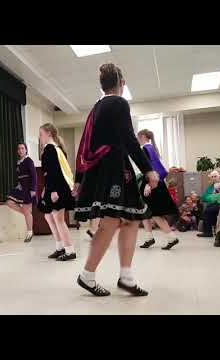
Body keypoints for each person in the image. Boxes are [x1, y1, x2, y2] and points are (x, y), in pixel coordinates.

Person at [74, 63, 158, 297]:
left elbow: (85, 144)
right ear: (121, 83)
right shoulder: (118, 102)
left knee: (130, 220)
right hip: (113, 168)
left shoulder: (97, 107)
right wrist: (148, 169)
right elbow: (129, 139)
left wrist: (80, 177)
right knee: (111, 221)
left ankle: (126, 277)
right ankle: (87, 275)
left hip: (104, 168)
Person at [37, 123, 77, 261]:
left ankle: (70, 250)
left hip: (57, 188)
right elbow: (50, 173)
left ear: (49, 133)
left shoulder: (50, 149)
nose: (40, 137)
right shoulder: (57, 149)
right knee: (49, 216)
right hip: (53, 187)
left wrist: (53, 191)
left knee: (58, 219)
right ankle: (60, 247)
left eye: (41, 134)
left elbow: (54, 172)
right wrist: (45, 189)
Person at [137, 129, 180, 250]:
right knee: (145, 211)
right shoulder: (151, 148)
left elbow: (150, 168)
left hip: (152, 184)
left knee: (155, 214)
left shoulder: (146, 149)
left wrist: (148, 184)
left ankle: (171, 237)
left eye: (138, 137)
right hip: (155, 183)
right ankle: (149, 237)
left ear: (143, 136)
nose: (137, 139)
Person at [6, 143, 37, 243]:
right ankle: (26, 214)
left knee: (27, 210)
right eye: (19, 148)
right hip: (20, 187)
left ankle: (30, 232)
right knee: (9, 202)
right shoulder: (18, 162)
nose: (20, 150)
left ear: (26, 150)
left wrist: (33, 189)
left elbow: (34, 175)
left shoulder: (29, 161)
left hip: (28, 188)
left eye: (22, 148)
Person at [197, 170, 220, 238]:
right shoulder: (210, 187)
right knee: (207, 210)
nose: (214, 178)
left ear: (219, 177)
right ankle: (208, 231)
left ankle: (209, 231)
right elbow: (204, 197)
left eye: (215, 176)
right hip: (213, 205)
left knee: (208, 210)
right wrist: (212, 198)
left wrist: (211, 197)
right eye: (212, 177)